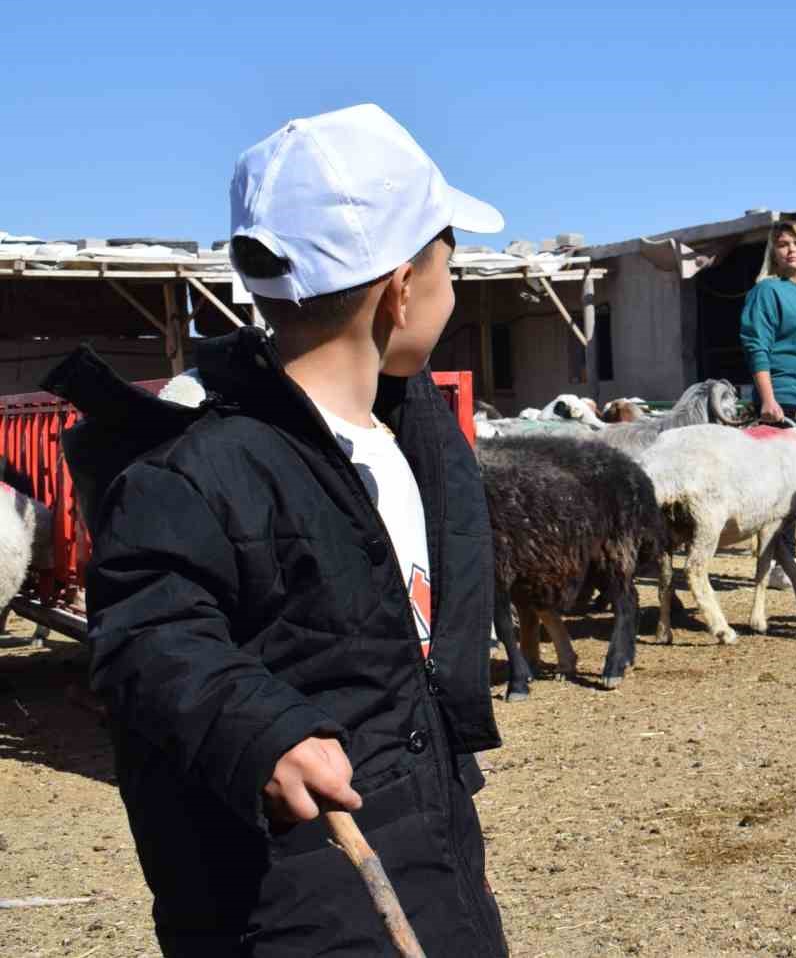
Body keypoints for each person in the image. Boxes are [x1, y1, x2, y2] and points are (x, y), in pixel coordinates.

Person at [58, 104, 509, 957]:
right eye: (450, 263)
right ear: (401, 289)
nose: (454, 289)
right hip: (295, 902)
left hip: (426, 858)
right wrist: (260, 730)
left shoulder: (406, 441)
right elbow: (149, 629)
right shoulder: (200, 471)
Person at [739, 220, 796, 588]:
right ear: (773, 253)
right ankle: (781, 564)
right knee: (783, 492)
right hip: (784, 401)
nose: (791, 249)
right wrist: (768, 399)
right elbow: (756, 345)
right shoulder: (767, 291)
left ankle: (783, 559)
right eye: (782, 244)